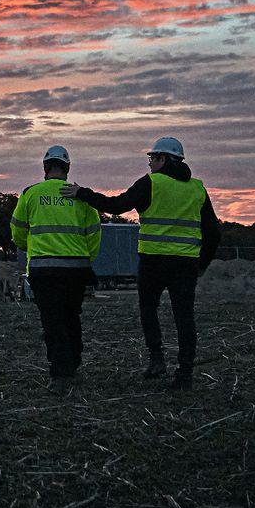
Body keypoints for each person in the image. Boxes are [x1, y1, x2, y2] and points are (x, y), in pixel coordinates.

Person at [59, 137, 220, 391]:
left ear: (163, 159)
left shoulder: (151, 184)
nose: (150, 164)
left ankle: (157, 360)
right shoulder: (197, 188)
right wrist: (202, 264)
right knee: (184, 318)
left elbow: (117, 206)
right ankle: (185, 374)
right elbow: (213, 232)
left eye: (152, 159)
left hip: (153, 261)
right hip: (186, 264)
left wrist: (83, 194)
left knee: (148, 308)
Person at [10, 145, 101, 396]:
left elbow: (17, 230)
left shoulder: (31, 194)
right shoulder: (80, 197)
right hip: (76, 270)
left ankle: (61, 373)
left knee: (53, 321)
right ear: (67, 168)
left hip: (43, 270)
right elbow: (94, 234)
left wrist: (29, 246)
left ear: (45, 167)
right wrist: (85, 258)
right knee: (72, 317)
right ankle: (73, 363)